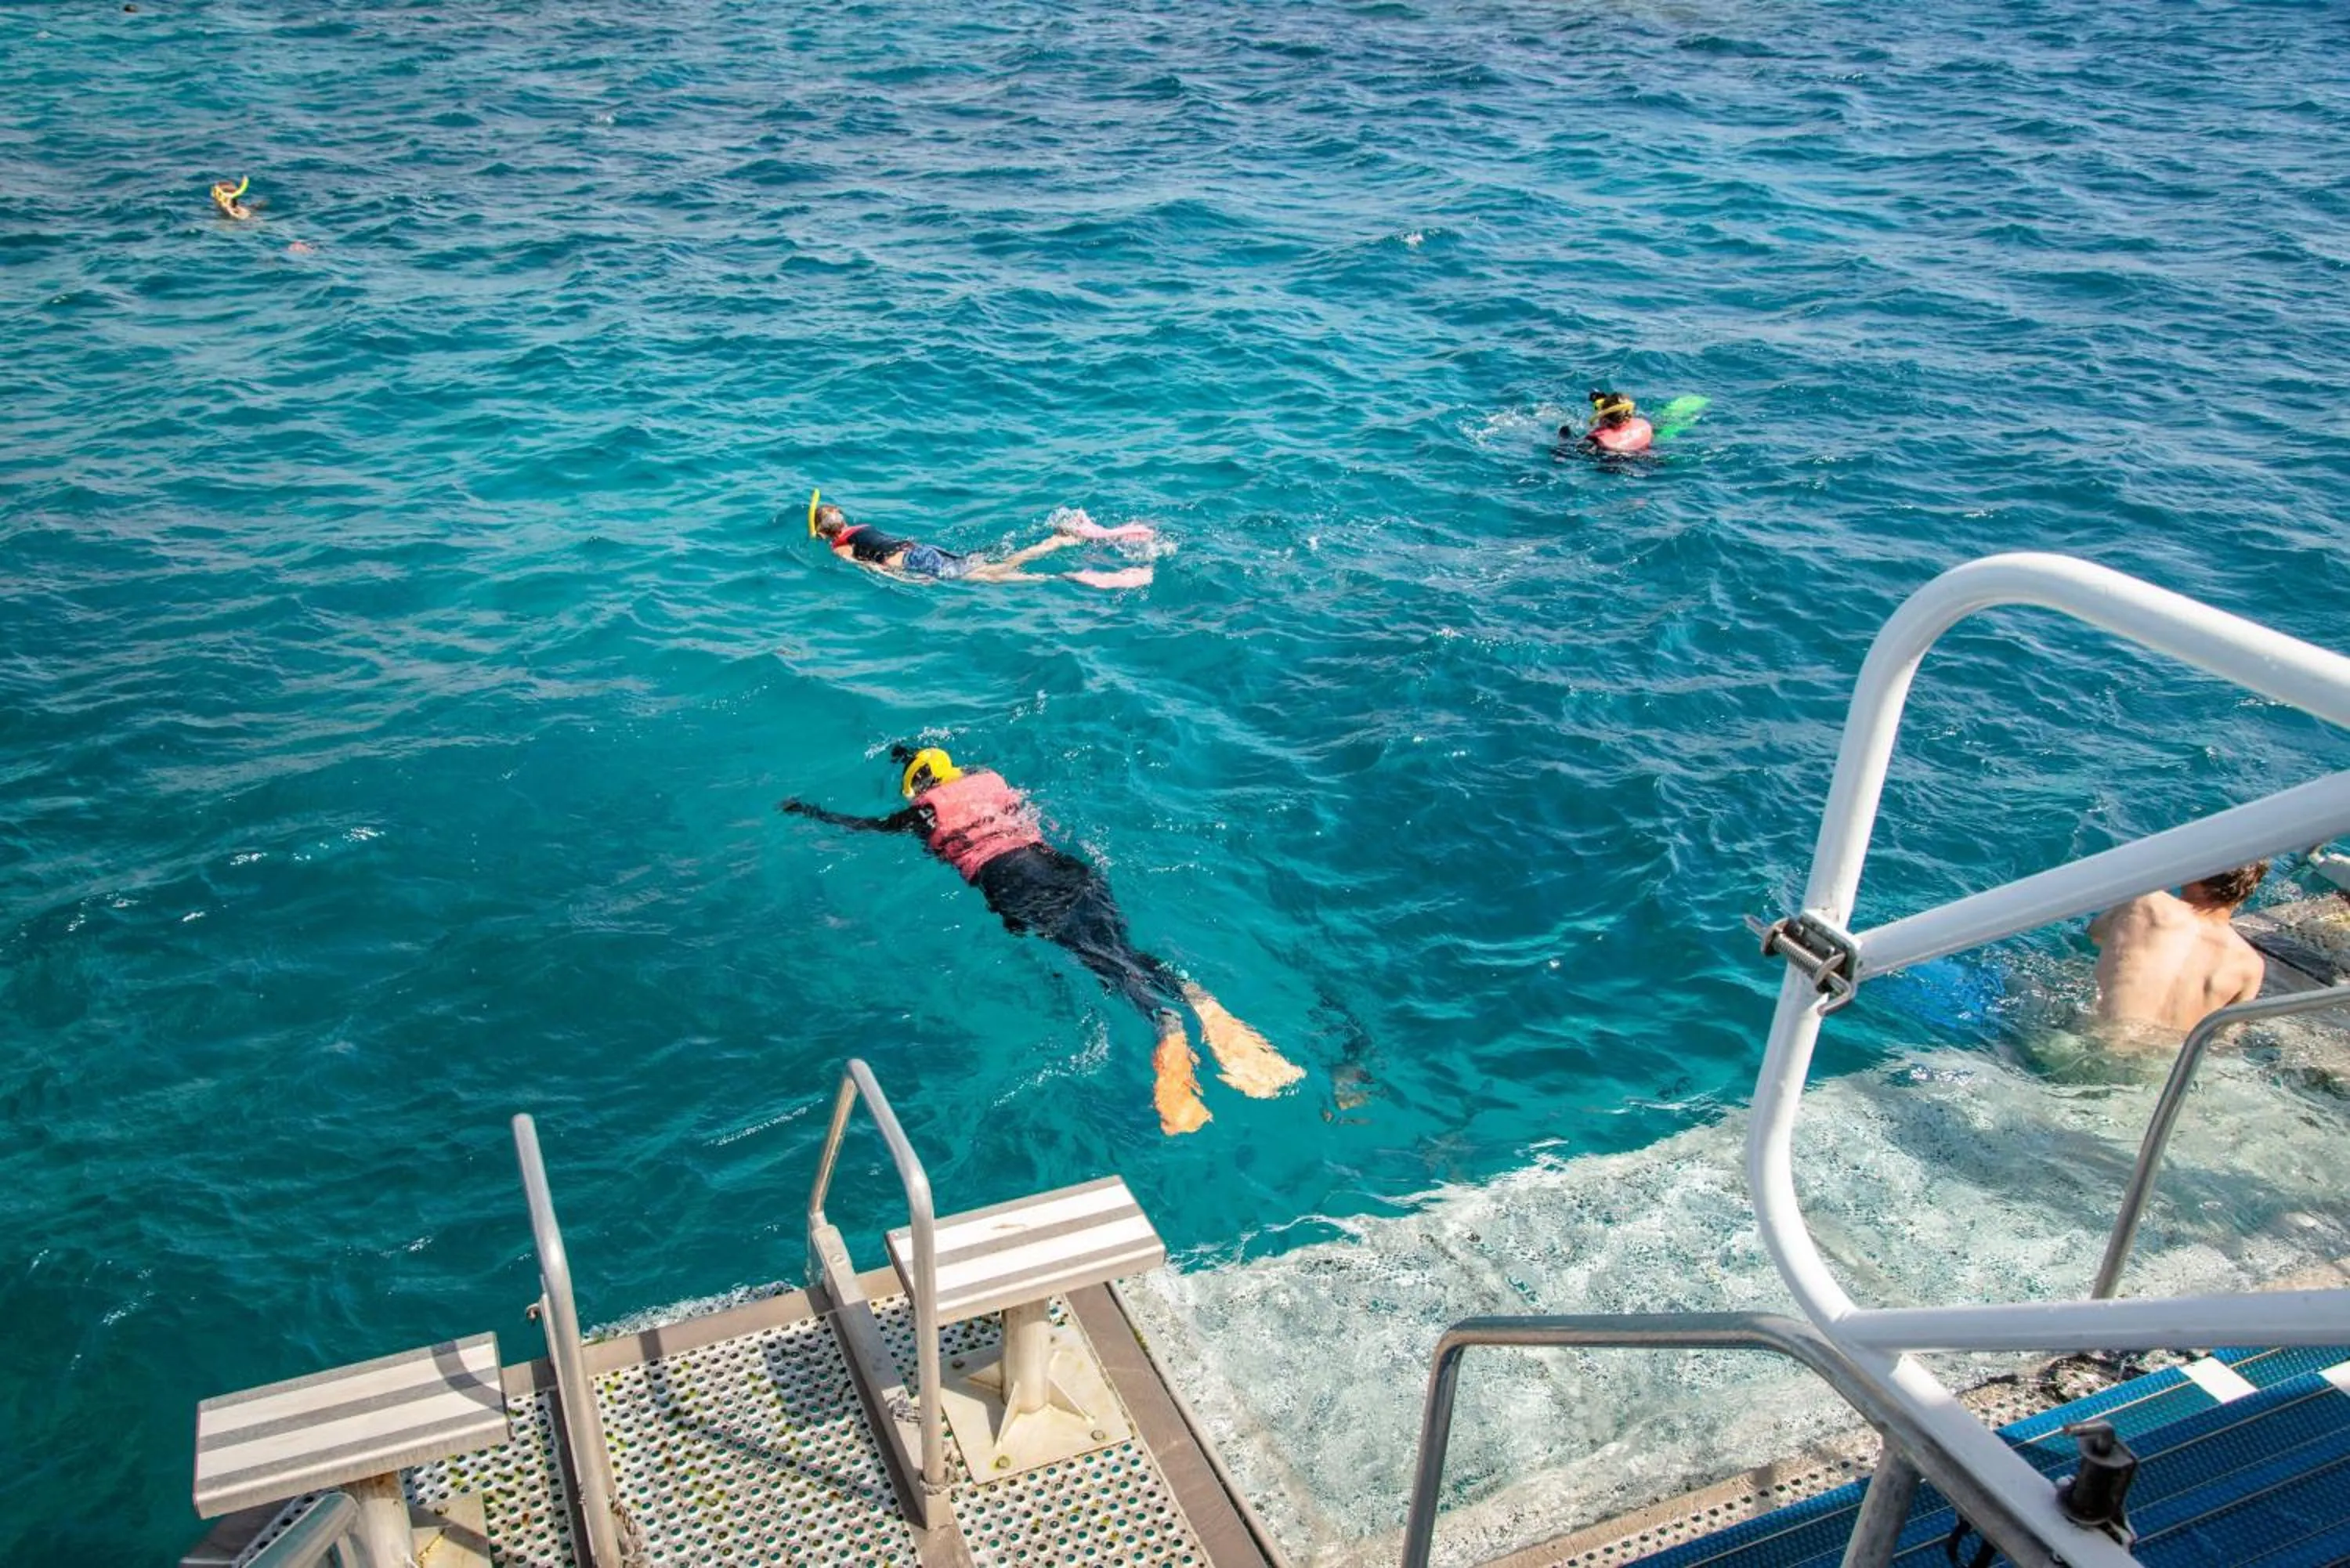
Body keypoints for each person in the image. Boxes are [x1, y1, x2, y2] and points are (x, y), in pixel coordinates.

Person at [779, 746, 1303, 1133]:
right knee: (1122, 945)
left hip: (1015, 881)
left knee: (1100, 960)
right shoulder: (988, 778)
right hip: (1063, 866)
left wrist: (810, 812)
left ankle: (1164, 1024)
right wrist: (905, 751)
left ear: (918, 789)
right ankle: (1202, 1001)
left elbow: (867, 827)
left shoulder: (923, 811)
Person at [807, 492, 1150, 588]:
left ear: (824, 534)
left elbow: (873, 571)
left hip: (914, 564)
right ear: (845, 520)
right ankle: (1060, 541)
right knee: (992, 574)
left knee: (990, 576)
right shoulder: (864, 527)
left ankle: (1066, 569)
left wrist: (905, 581)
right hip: (924, 550)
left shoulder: (841, 548)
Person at [2088, 861, 2268, 1041]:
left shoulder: (2144, 904)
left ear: (2197, 871)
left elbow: (2095, 935)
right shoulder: (2250, 965)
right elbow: (2227, 1037)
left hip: (2096, 1039)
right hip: (2166, 1063)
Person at [1571, 389, 1654, 456]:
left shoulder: (1596, 440)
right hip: (1645, 457)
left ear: (1604, 420)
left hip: (1614, 463)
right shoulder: (1644, 426)